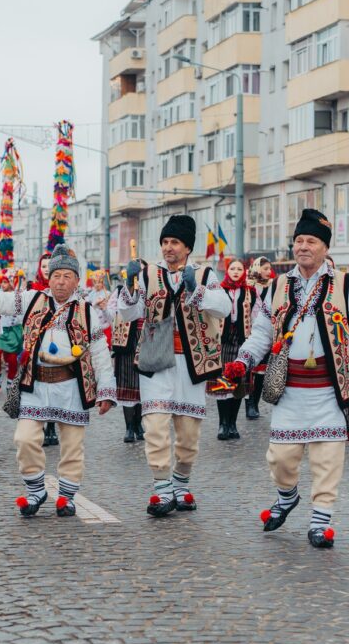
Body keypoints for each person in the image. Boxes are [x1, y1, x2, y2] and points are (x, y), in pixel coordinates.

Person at [228, 209, 349, 548]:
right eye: (299, 240)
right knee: (281, 457)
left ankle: (320, 521)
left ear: (325, 248)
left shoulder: (345, 285)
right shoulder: (277, 287)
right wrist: (243, 361)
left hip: (330, 389)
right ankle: (287, 496)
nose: (303, 247)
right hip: (289, 389)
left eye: (311, 241)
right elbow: (260, 332)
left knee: (327, 458)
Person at [0, 243, 116, 517]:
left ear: (76, 280)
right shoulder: (31, 299)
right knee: (24, 439)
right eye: (56, 275)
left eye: (67, 276)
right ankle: (36, 491)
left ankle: (67, 498)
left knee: (71, 446)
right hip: (36, 384)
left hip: (72, 387)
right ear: (49, 277)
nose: (60, 281)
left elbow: (100, 353)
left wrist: (106, 391)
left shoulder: (87, 311)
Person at [115, 215, 229, 517]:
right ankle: (162, 488)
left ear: (187, 247)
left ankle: (181, 481)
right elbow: (129, 313)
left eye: (174, 242)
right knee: (155, 426)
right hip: (157, 360)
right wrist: (128, 285)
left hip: (192, 362)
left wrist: (199, 291)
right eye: (165, 242)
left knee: (189, 433)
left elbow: (225, 307)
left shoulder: (205, 274)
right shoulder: (149, 272)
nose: (168, 248)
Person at [212, 257, 258, 441]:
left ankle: (233, 423)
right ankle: (223, 424)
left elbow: (256, 316)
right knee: (223, 384)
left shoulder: (250, 292)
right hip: (222, 342)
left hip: (241, 340)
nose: (236, 272)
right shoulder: (218, 291)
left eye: (239, 269)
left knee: (238, 384)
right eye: (233, 269)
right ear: (227, 271)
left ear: (244, 272)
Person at [28, 251, 60, 449]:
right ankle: (39, 425)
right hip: (36, 344)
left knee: (55, 386)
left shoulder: (62, 290)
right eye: (44, 266)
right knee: (40, 387)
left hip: (57, 345)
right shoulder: (33, 291)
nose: (47, 269)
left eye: (50, 266)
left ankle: (51, 427)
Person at [109, 276, 144, 443]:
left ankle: (139, 424)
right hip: (126, 341)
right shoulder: (119, 292)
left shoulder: (150, 291)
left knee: (142, 384)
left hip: (145, 338)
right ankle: (129, 426)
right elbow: (111, 315)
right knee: (128, 383)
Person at [244, 256, 275, 419]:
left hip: (267, 333)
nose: (268, 272)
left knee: (262, 372)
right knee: (250, 371)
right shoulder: (249, 287)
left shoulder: (273, 287)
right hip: (250, 333)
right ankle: (248, 404)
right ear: (257, 268)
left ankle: (255, 403)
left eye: (269, 269)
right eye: (265, 269)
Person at [0, 271, 23, 393]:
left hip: (14, 331)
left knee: (12, 359)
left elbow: (21, 314)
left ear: (11, 282)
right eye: (1, 282)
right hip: (1, 330)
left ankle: (10, 381)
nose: (3, 284)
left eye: (5, 282)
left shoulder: (18, 296)